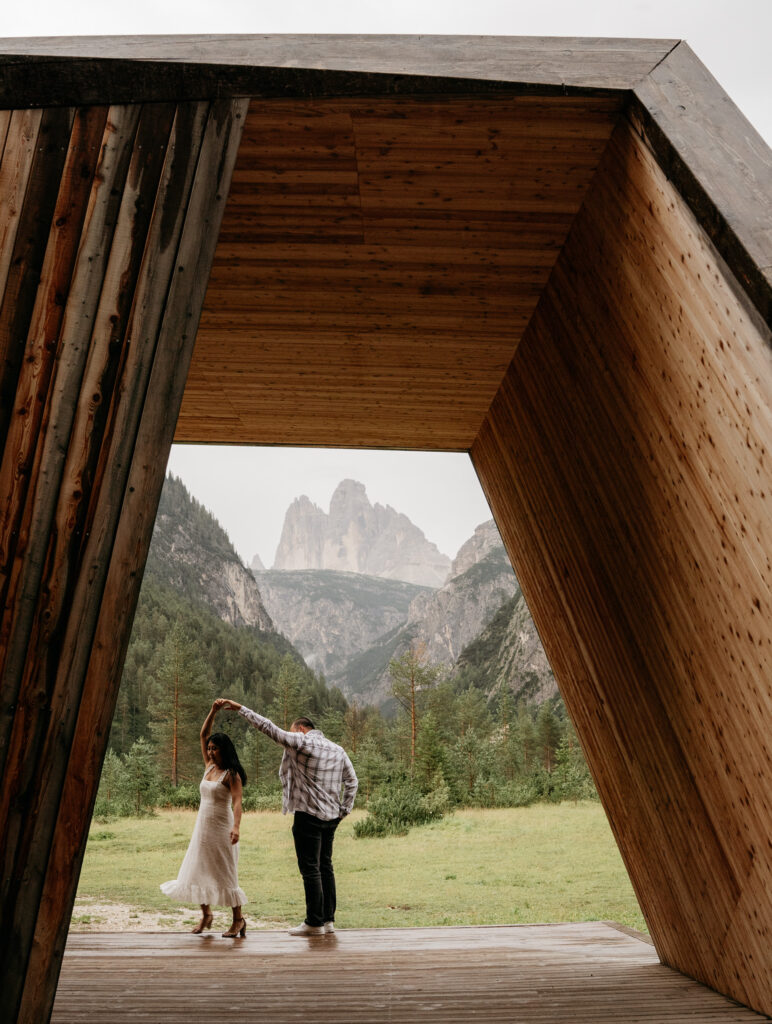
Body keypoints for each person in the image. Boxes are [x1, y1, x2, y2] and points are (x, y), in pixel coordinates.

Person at [217, 698, 358, 936]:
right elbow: (352, 782)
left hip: (308, 817)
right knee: (326, 866)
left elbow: (269, 728)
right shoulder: (338, 749)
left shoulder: (302, 743)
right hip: (331, 818)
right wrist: (342, 811)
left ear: (301, 729)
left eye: (292, 732)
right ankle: (328, 921)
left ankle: (314, 923)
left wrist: (241, 709)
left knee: (310, 868)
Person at [160, 699, 248, 937]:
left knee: (225, 871)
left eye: (214, 748)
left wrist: (237, 827)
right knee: (198, 868)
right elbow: (203, 734)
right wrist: (212, 710)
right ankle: (206, 914)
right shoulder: (209, 767)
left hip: (222, 826)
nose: (210, 751)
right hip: (203, 826)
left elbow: (238, 802)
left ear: (224, 750)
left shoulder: (232, 774)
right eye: (209, 748)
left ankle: (238, 920)